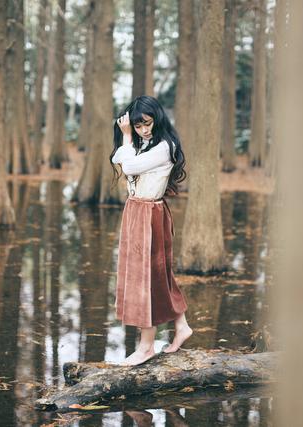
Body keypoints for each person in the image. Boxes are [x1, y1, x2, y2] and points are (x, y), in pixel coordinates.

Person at [110, 95, 193, 366]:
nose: (144, 130)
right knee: (156, 275)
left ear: (157, 119)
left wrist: (126, 138)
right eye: (138, 126)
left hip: (150, 213)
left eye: (148, 124)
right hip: (137, 211)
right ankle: (181, 326)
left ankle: (146, 347)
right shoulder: (145, 144)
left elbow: (129, 165)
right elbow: (116, 159)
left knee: (146, 278)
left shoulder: (164, 146)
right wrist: (128, 142)